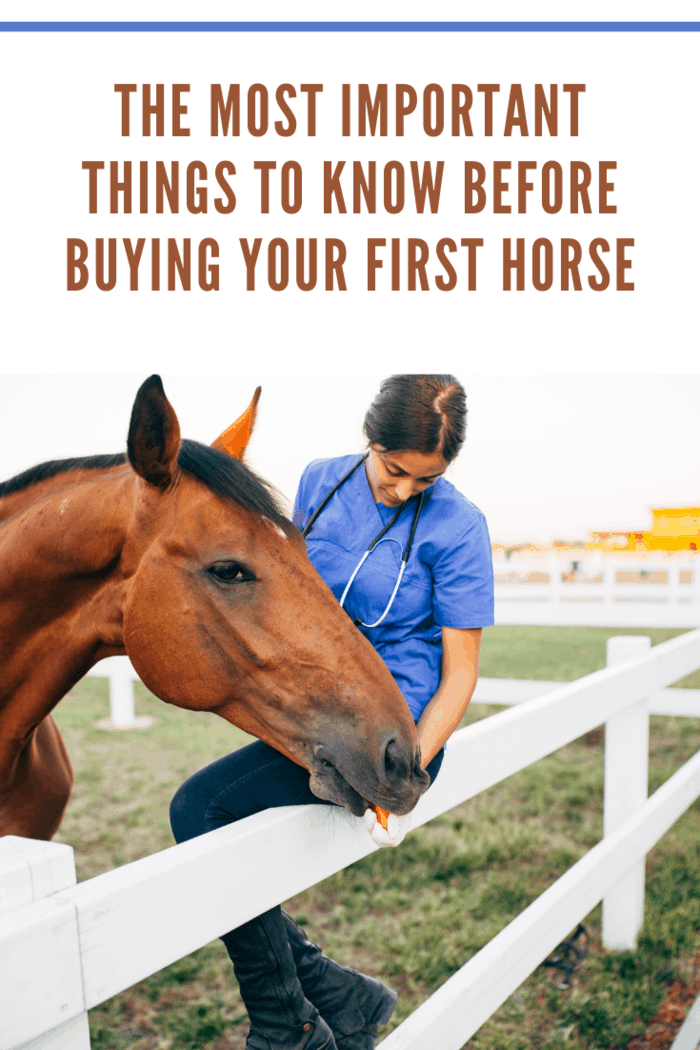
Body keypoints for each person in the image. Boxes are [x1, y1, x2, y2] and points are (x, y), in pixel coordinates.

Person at [169, 374, 494, 1050]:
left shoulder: (460, 526)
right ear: (369, 441)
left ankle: (288, 1025)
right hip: (319, 704)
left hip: (390, 727)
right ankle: (336, 996)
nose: (404, 491)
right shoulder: (322, 480)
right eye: (395, 470)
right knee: (203, 813)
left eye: (424, 482)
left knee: (200, 810)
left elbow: (461, 672)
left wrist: (408, 771)